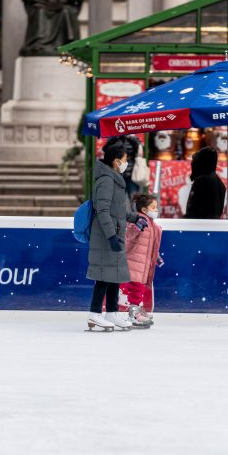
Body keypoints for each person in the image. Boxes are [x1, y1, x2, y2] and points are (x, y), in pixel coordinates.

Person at [86, 142, 142, 331]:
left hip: (114, 234)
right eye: (125, 160)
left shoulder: (115, 179)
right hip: (105, 236)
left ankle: (111, 312)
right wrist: (111, 236)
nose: (127, 163)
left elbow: (117, 211)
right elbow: (102, 211)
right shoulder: (106, 180)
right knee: (103, 276)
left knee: (114, 275)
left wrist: (135, 217)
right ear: (116, 161)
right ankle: (94, 314)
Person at [122, 193, 164, 329]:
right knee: (136, 288)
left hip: (145, 263)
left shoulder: (153, 225)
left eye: (156, 207)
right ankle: (133, 313)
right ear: (144, 210)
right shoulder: (138, 220)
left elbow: (152, 244)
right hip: (134, 261)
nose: (156, 210)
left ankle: (136, 310)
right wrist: (136, 227)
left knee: (140, 288)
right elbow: (127, 237)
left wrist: (156, 255)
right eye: (153, 207)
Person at [184, 146, 226, 219]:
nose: (193, 164)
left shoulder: (201, 180)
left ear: (202, 162)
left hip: (199, 226)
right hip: (212, 225)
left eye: (195, 161)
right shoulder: (220, 183)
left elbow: (193, 210)